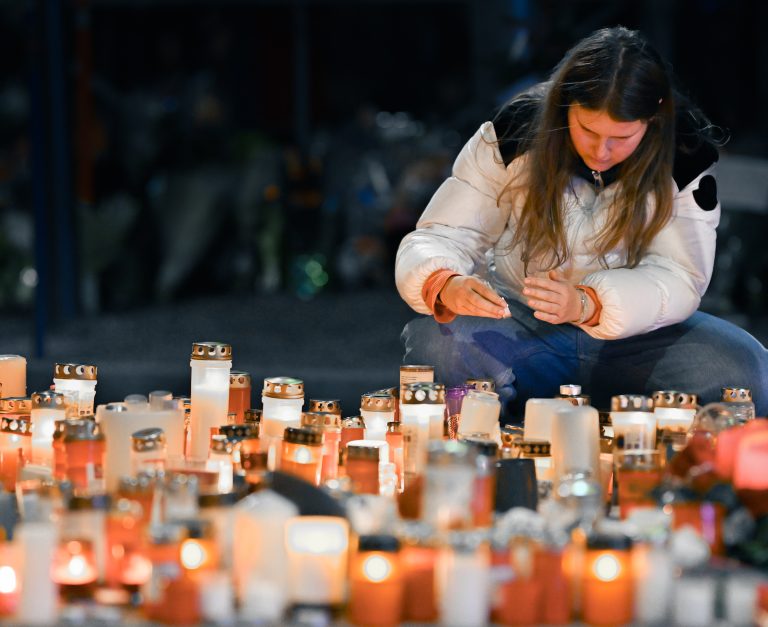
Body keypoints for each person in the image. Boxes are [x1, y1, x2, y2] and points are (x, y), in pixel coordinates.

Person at [395, 26, 768, 422]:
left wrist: (589, 303)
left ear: (653, 116)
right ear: (565, 104)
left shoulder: (684, 156)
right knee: (437, 345)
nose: (601, 150)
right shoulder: (514, 135)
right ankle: (479, 457)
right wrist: (446, 283)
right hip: (520, 321)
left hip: (638, 337)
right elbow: (446, 232)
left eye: (621, 137)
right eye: (588, 130)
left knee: (742, 369)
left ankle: (679, 465)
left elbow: (679, 275)